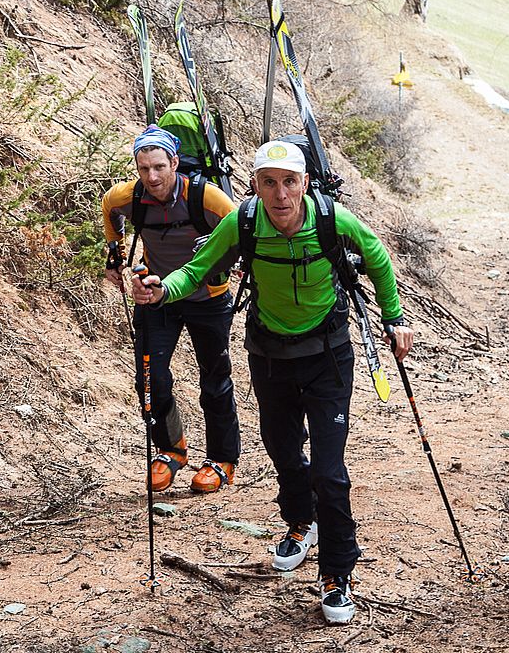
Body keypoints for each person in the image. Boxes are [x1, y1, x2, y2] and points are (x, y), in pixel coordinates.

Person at [136, 139, 413, 625]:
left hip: (328, 357)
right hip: (269, 357)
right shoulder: (243, 222)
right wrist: (162, 289)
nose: (280, 194)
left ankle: (336, 573)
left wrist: (394, 318)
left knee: (329, 469)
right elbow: (196, 272)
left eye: (289, 182)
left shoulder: (331, 220)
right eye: (269, 183)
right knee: (283, 450)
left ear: (304, 183)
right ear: (256, 186)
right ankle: (300, 522)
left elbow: (377, 256)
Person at [102, 125, 240, 495]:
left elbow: (242, 230)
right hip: (155, 297)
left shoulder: (206, 199)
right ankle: (170, 449)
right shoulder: (128, 197)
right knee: (150, 378)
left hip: (208, 299)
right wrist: (114, 256)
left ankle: (222, 459)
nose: (152, 176)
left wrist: (222, 254)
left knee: (214, 378)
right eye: (144, 168)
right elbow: (109, 208)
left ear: (175, 163)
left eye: (160, 167)